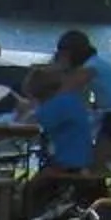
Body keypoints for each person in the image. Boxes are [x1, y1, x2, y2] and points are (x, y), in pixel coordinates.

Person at [55, 31, 111, 164]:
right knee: (105, 160)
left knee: (101, 162)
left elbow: (66, 89)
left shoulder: (90, 67)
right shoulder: (95, 63)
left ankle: (92, 182)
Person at [20, 62, 94, 206]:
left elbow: (33, 123)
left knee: (29, 188)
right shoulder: (70, 99)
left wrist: (28, 109)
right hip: (82, 159)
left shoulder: (56, 105)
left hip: (69, 161)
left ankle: (27, 217)